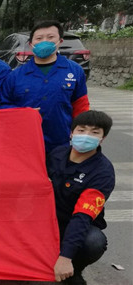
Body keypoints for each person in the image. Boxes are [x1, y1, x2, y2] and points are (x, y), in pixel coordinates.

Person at [0, 20, 89, 153]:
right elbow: (3, 105)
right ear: (31, 44)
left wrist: (81, 132)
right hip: (24, 142)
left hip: (60, 142)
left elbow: (81, 106)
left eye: (50, 37)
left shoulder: (75, 71)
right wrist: (23, 113)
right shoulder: (15, 75)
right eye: (39, 38)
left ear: (60, 41)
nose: (44, 41)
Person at [47, 111, 115, 285]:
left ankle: (73, 271)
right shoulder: (56, 154)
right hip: (46, 221)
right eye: (81, 130)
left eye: (94, 132)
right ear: (71, 133)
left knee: (94, 241)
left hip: (75, 224)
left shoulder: (103, 172)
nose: (86, 136)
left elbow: (82, 216)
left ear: (102, 139)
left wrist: (65, 257)